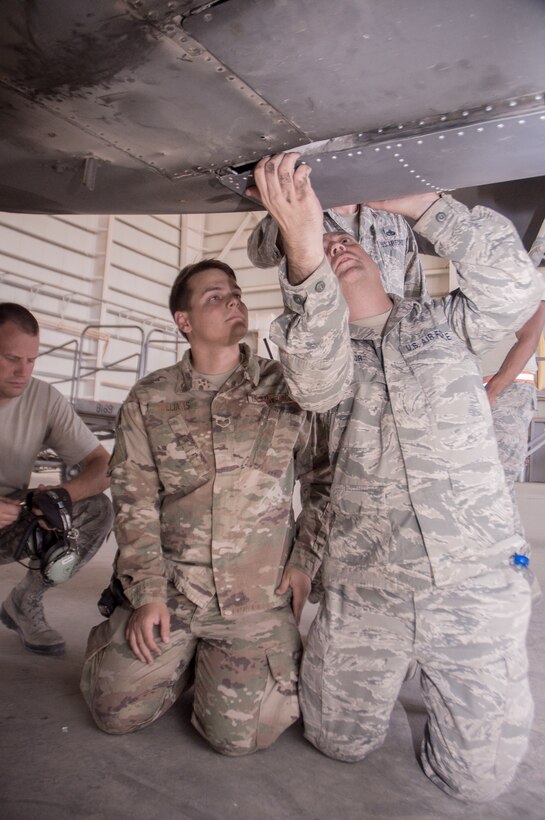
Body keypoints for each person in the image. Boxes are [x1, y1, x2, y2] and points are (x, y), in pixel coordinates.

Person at [250, 153, 544, 802]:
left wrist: (419, 202)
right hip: (369, 589)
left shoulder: (444, 324)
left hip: (471, 589)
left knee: (476, 784)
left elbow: (515, 289)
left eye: (345, 240)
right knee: (336, 741)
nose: (340, 248)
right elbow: (313, 378)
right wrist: (301, 253)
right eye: (326, 251)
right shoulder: (319, 357)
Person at [80, 260, 330, 756]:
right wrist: (147, 592)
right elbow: (134, 502)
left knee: (237, 740)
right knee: (113, 711)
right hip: (175, 590)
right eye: (216, 296)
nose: (233, 300)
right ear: (184, 322)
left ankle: (213, 665)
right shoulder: (150, 399)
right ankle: (167, 654)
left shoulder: (286, 391)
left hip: (254, 600)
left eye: (235, 292)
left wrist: (304, 562)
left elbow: (323, 481)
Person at [0, 303, 113, 655]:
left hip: (10, 515)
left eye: (31, 360)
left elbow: (101, 464)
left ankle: (25, 601)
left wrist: (61, 496)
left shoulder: (43, 397)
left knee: (96, 510)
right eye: (11, 358)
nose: (23, 371)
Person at [480, 303, 545, 539]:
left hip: (508, 389)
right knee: (475, 481)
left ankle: (513, 557)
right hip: (475, 388)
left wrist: (494, 390)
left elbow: (529, 338)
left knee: (499, 481)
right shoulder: (472, 295)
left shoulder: (525, 289)